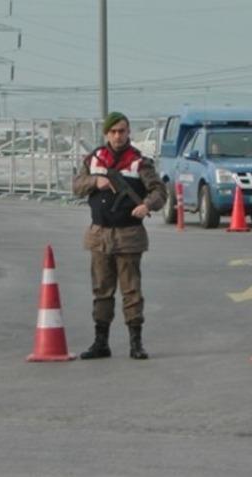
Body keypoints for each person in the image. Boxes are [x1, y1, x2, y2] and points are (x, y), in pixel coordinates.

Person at [72, 112, 167, 360]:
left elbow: (159, 191)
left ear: (128, 132)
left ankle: (136, 343)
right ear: (106, 134)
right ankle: (100, 342)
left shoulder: (138, 162)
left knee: (131, 291)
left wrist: (147, 205)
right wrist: (95, 182)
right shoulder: (94, 159)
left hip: (128, 234)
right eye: (113, 131)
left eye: (122, 131)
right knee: (101, 291)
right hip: (100, 234)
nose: (117, 136)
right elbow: (76, 186)